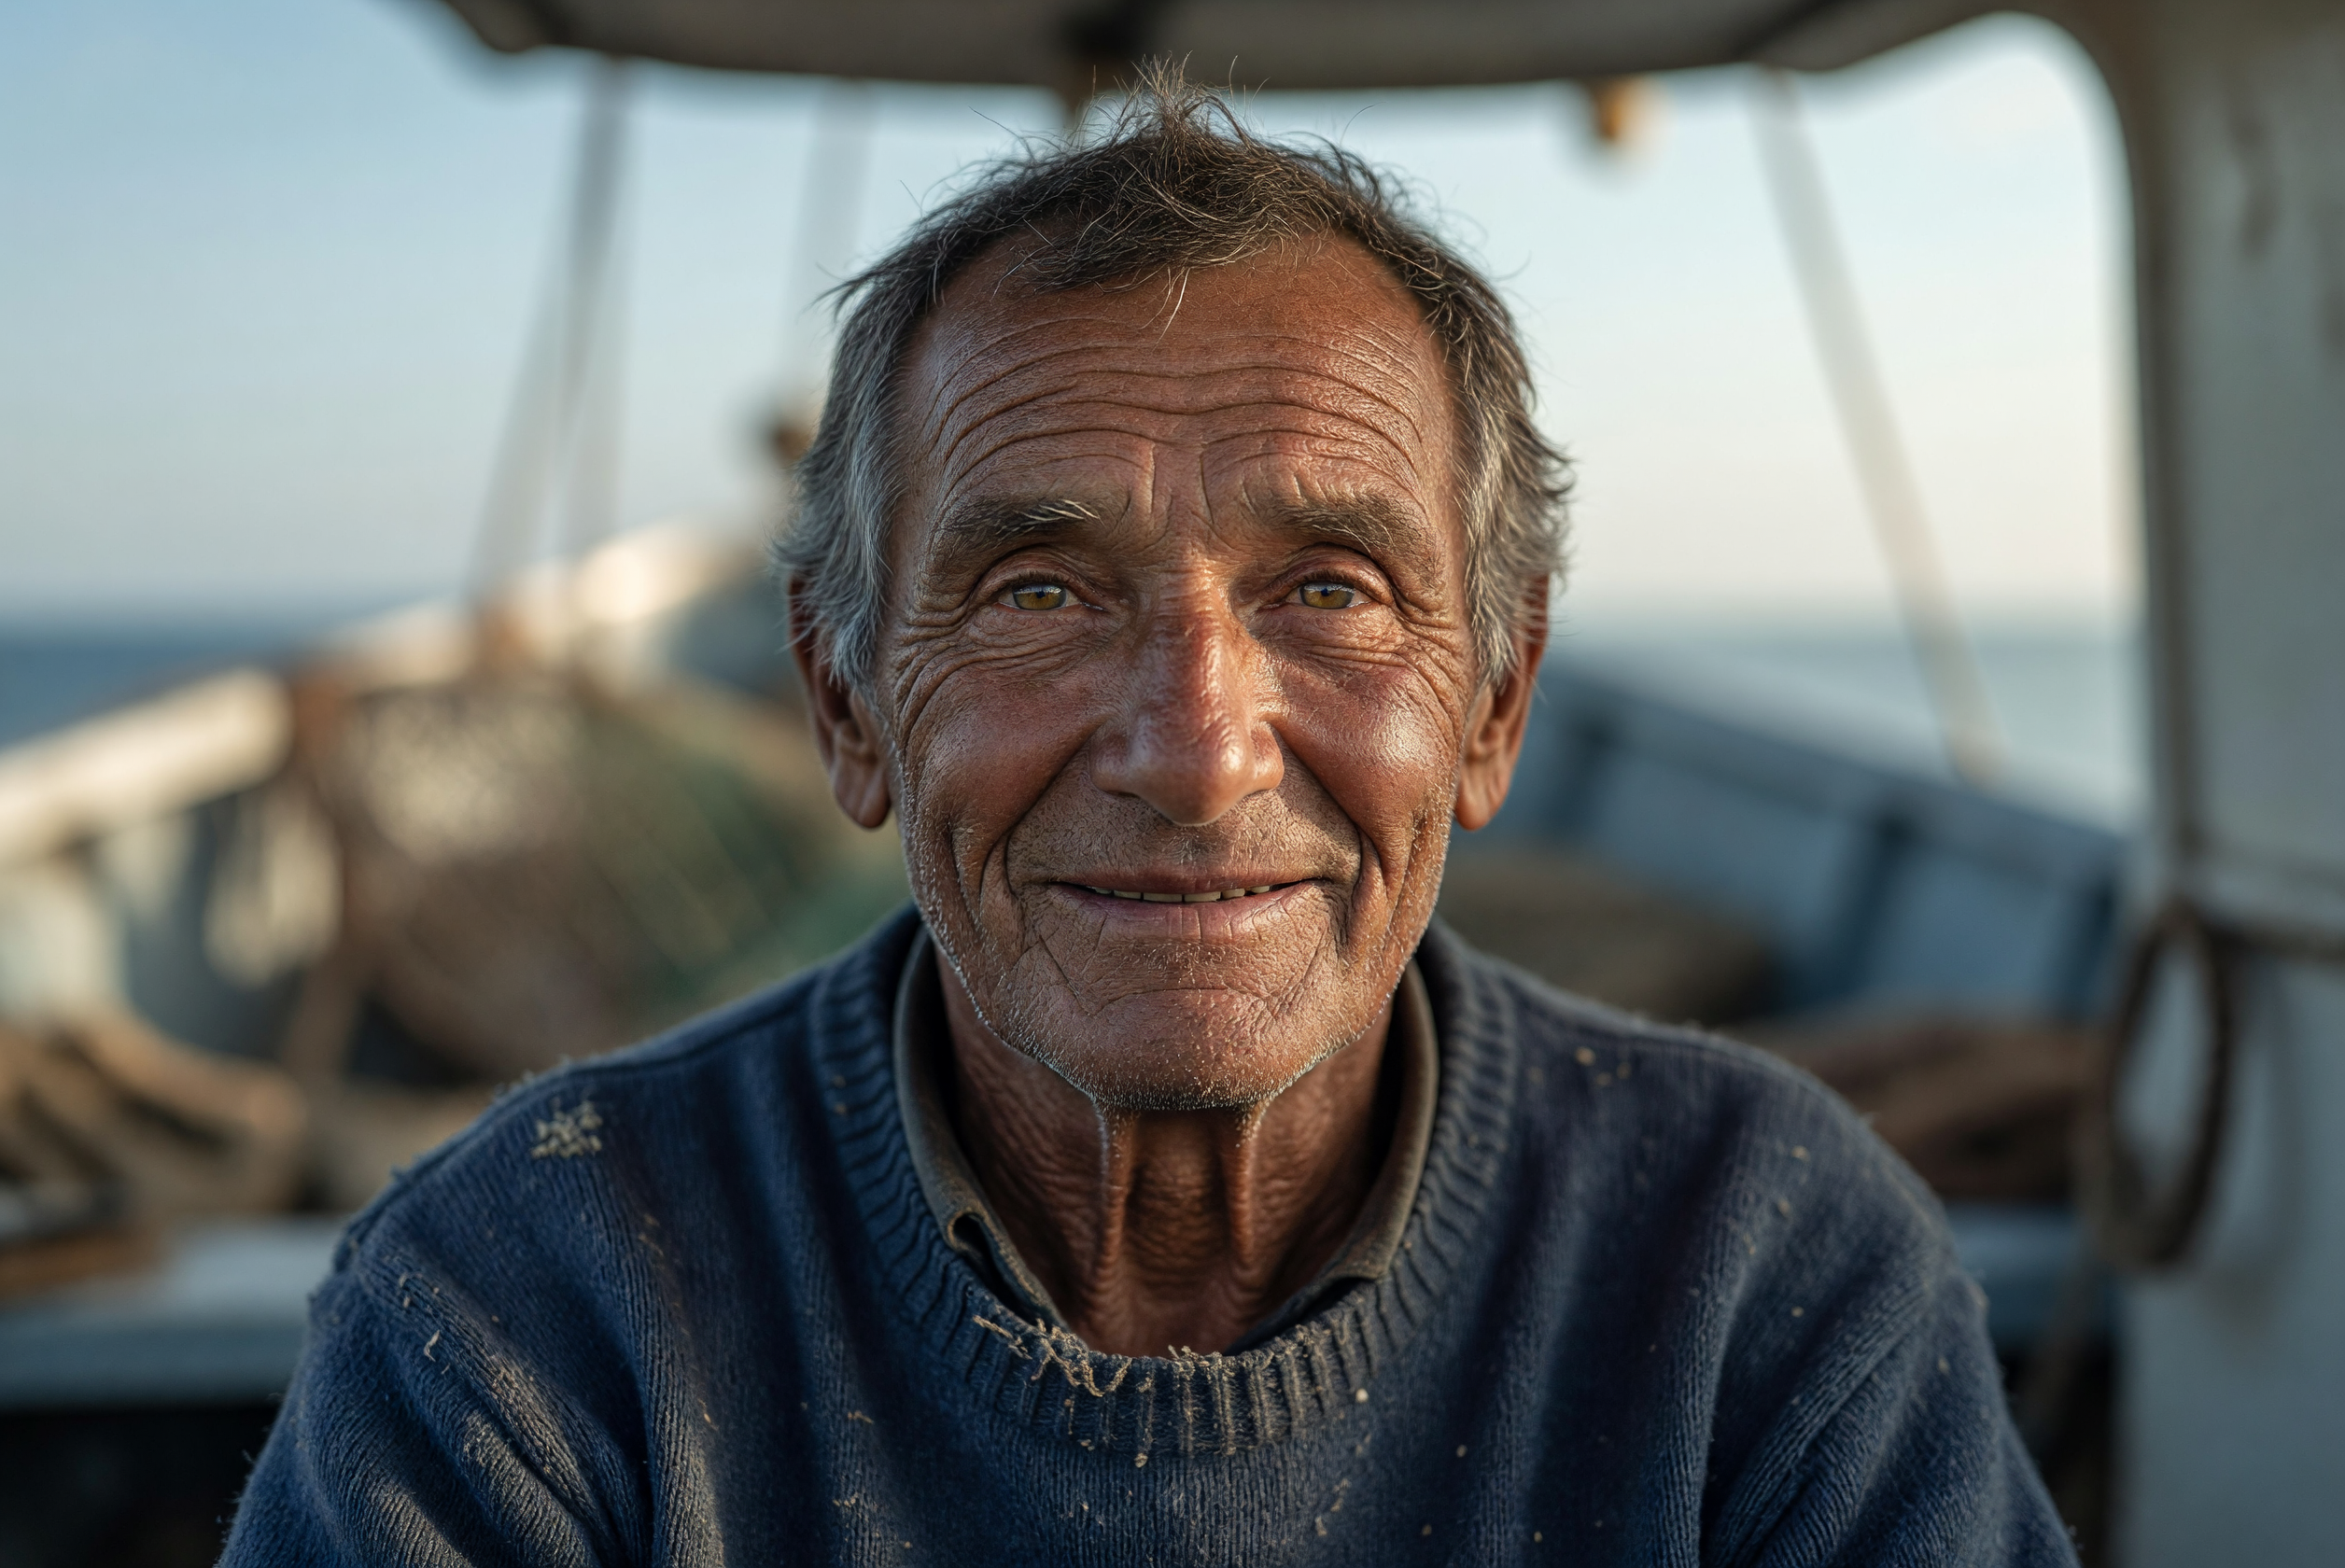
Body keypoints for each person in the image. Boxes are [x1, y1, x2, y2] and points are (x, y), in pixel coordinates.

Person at [221, 75, 2074, 1566]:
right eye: (1037, 591)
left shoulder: (1767, 1268)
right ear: (846, 704)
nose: (1194, 755)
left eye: (1330, 590)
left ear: (1495, 702)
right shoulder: (527, 1298)